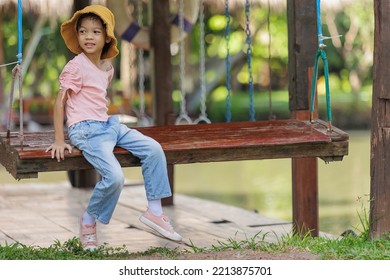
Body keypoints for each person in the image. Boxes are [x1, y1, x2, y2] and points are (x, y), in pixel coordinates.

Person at [46, 5, 182, 251]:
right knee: (115, 177)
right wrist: (59, 139)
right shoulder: (75, 67)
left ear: (106, 36)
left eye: (96, 32)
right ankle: (88, 221)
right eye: (84, 32)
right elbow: (60, 102)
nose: (89, 37)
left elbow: (97, 99)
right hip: (85, 130)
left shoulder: (107, 68)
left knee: (153, 148)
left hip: (108, 125)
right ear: (77, 35)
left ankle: (154, 211)